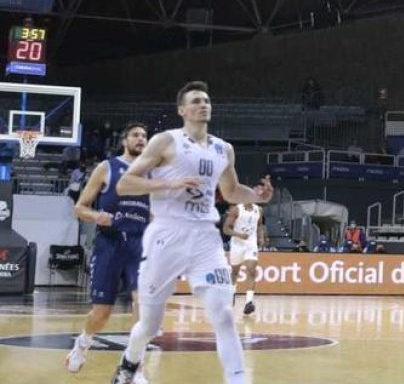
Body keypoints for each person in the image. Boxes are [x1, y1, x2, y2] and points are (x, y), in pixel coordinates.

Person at [109, 81, 273, 384]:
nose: (203, 105)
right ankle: (128, 365)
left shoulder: (224, 149)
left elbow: (232, 190)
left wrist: (258, 197)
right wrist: (168, 184)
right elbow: (125, 184)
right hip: (166, 234)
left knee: (223, 313)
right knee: (149, 323)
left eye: (207, 100)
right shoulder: (165, 141)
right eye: (196, 101)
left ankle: (238, 378)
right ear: (182, 110)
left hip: (205, 238)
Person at [66, 123, 151, 380]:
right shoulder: (107, 168)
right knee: (101, 313)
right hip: (110, 245)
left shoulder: (151, 174)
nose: (141, 139)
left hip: (139, 245)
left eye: (145, 136)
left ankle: (135, 368)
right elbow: (80, 208)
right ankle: (83, 343)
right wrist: (96, 216)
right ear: (125, 140)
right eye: (136, 135)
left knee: (143, 306)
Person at [222, 200, 266, 316]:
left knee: (251, 270)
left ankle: (249, 302)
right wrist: (238, 234)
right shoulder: (237, 210)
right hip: (237, 244)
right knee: (235, 272)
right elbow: (226, 229)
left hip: (251, 244)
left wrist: (261, 237)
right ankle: (231, 293)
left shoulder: (259, 210)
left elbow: (260, 225)